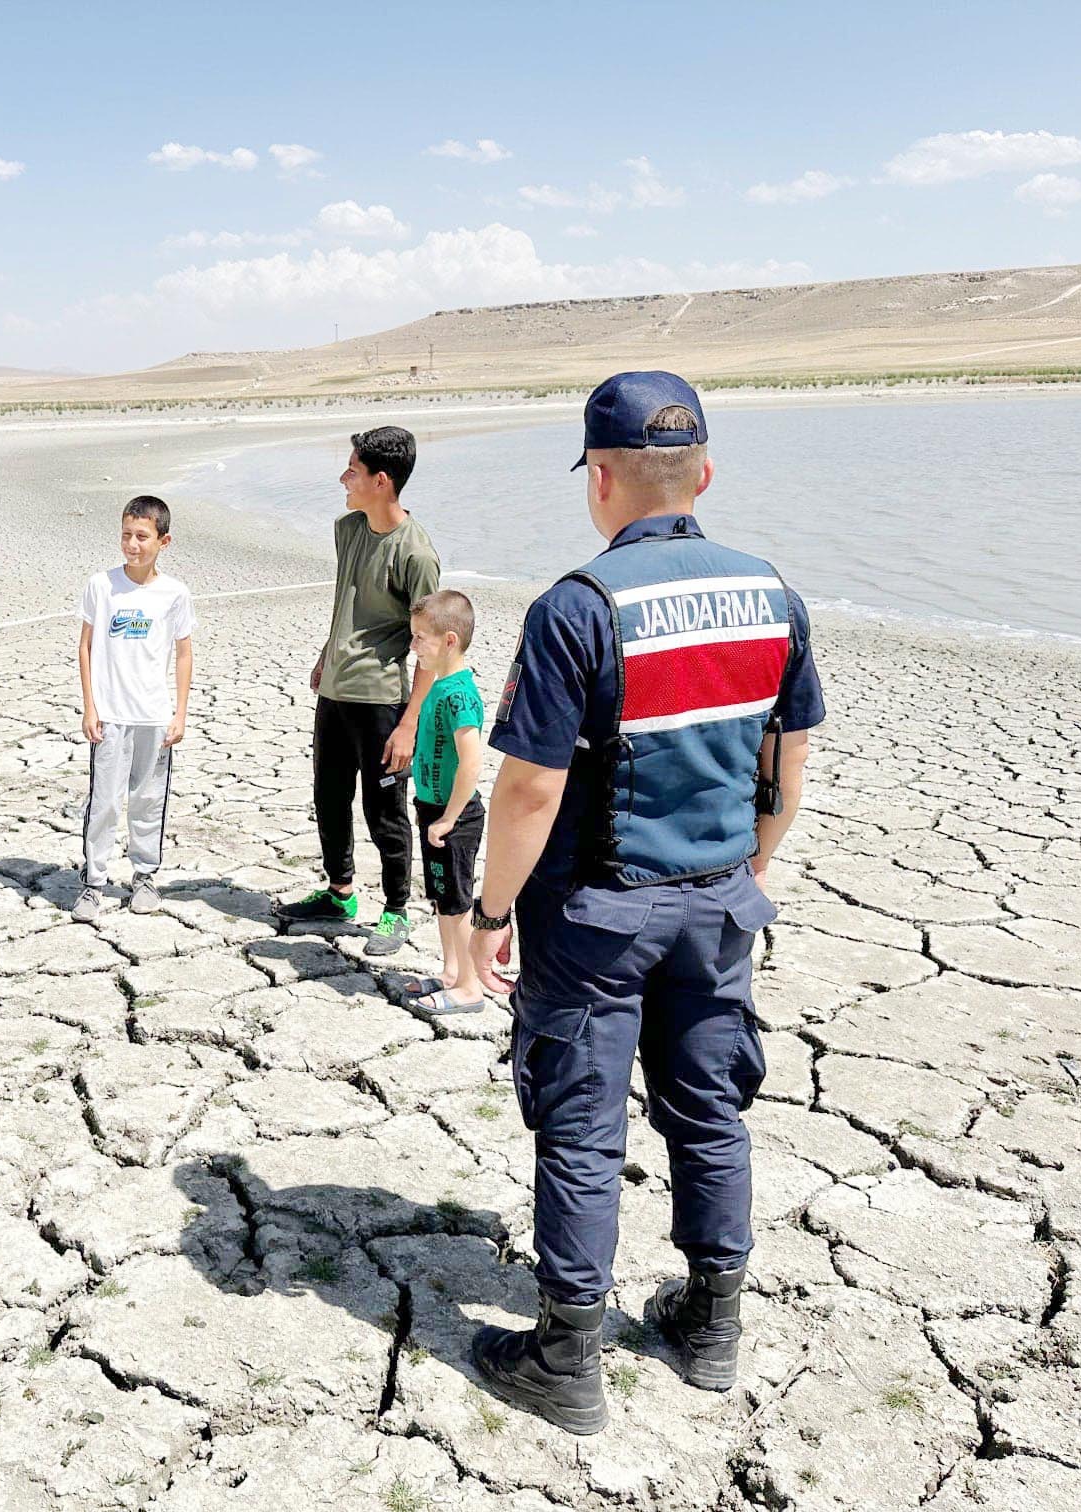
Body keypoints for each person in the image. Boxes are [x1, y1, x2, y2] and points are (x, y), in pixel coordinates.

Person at [464, 372, 824, 1435]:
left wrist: (490, 917)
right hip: (718, 907)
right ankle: (711, 1328)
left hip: (596, 920)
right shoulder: (773, 594)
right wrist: (747, 868)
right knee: (709, 1109)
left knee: (580, 1127)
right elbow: (784, 767)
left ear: (602, 480)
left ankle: (567, 1362)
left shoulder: (579, 608)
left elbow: (529, 789)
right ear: (702, 474)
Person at [276, 426, 442, 956]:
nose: (343, 477)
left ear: (381, 480)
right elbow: (346, 600)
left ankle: (395, 911)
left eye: (352, 469)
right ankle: (340, 894)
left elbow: (431, 650)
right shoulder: (349, 529)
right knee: (329, 797)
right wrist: (329, 654)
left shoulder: (416, 555)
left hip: (383, 701)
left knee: (384, 811)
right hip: (336, 691)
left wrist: (410, 723)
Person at [72, 495, 194, 921]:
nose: (132, 544)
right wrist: (90, 708)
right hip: (110, 715)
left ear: (164, 540)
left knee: (147, 801)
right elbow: (85, 647)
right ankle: (93, 882)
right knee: (104, 801)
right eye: (126, 535)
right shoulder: (101, 586)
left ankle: (144, 876)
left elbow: (182, 654)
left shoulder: (174, 593)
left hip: (154, 717)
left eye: (142, 536)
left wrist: (179, 713)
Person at [402, 589, 488, 1015]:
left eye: (421, 638)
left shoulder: (459, 694)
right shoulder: (438, 685)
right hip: (431, 810)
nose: (413, 646)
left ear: (450, 640)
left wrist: (450, 818)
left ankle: (469, 988)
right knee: (441, 897)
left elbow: (471, 763)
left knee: (457, 901)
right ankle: (452, 972)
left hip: (454, 816)